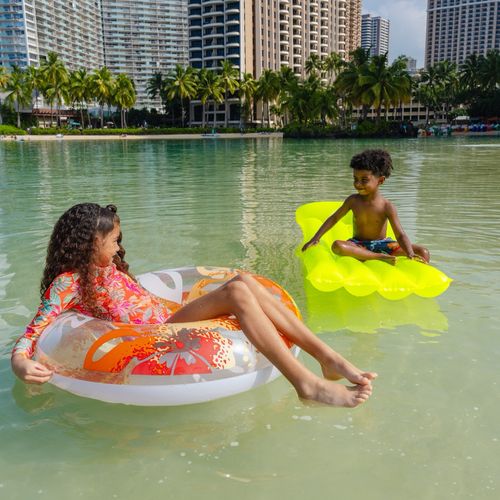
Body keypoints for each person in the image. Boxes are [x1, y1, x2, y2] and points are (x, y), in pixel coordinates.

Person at [11, 203, 376, 407]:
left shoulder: (112, 268)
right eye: (113, 241)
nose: (119, 248)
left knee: (245, 282)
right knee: (236, 294)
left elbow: (139, 298)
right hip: (157, 333)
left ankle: (327, 358)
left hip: (169, 315)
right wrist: (20, 364)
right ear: (90, 242)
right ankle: (306, 384)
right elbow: (32, 332)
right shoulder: (68, 283)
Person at [302, 149, 430, 265]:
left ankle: (382, 257)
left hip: (384, 244)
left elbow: (400, 234)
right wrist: (315, 238)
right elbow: (334, 218)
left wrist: (409, 252)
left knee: (423, 252)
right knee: (337, 246)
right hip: (358, 245)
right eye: (355, 179)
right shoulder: (353, 201)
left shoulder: (387, 206)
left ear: (380, 180)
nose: (358, 184)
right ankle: (377, 257)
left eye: (364, 180)